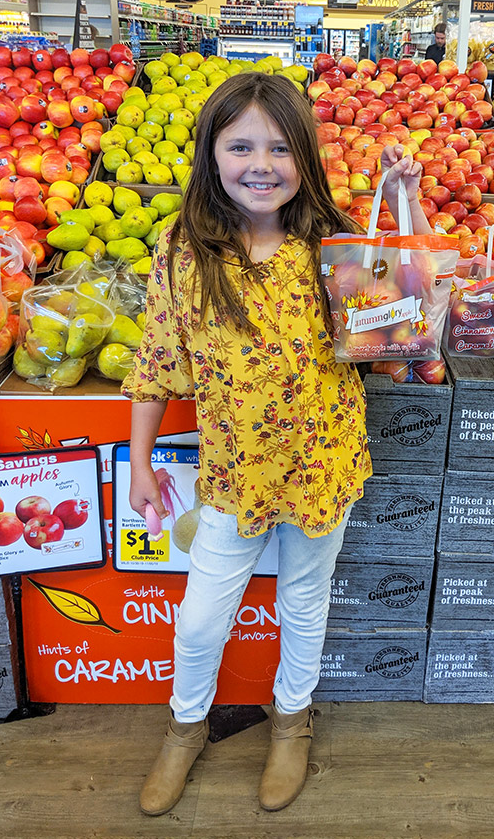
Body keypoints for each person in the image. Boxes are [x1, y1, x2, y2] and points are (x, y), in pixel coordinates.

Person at [123, 73, 427, 818]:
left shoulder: (330, 243)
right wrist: (138, 465)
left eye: (281, 148)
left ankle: (293, 718)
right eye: (241, 145)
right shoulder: (184, 250)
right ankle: (184, 726)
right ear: (211, 154)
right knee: (200, 617)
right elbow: (158, 364)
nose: (261, 163)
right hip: (233, 471)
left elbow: (407, 297)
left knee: (303, 599)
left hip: (322, 465)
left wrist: (404, 192)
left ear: (306, 159)